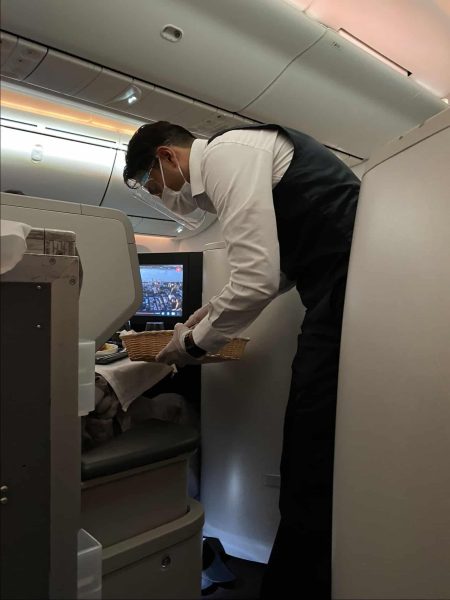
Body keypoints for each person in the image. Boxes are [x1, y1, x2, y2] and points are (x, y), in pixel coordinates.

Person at [123, 121, 360, 598]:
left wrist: (190, 346)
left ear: (168, 158)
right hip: (339, 289)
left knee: (309, 447)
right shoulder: (240, 156)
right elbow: (271, 273)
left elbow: (256, 280)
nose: (163, 196)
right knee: (310, 445)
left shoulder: (229, 157)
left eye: (154, 185)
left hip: (348, 292)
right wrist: (204, 315)